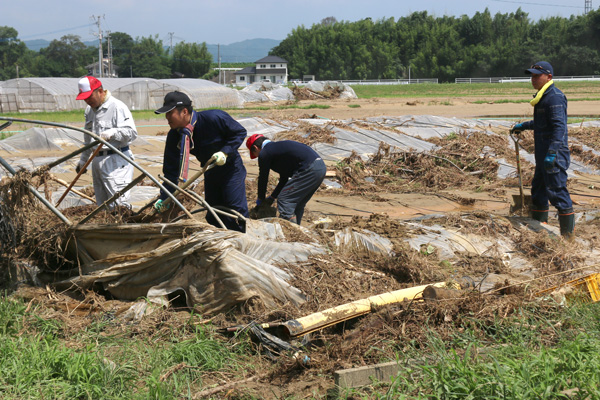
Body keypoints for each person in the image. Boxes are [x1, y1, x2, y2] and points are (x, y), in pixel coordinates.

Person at [154, 91, 248, 232]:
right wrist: (165, 197)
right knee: (213, 213)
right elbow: (171, 170)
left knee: (234, 208)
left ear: (184, 111)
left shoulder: (214, 118)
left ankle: (243, 238)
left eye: (169, 113)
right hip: (210, 171)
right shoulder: (175, 136)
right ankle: (221, 241)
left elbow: (239, 132)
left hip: (231, 169)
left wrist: (225, 152)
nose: (167, 118)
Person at [510, 61, 575, 237]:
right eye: (532, 75)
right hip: (543, 154)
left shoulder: (553, 97)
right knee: (538, 190)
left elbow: (559, 128)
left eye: (537, 75)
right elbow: (542, 123)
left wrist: (552, 153)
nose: (533, 79)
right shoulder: (543, 96)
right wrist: (525, 125)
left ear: (549, 77)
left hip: (553, 154)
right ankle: (539, 229)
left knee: (556, 191)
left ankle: (568, 238)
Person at [76, 76, 137, 210]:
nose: (87, 101)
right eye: (84, 98)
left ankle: (121, 229)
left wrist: (113, 132)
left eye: (89, 96)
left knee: (119, 205)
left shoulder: (117, 107)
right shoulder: (89, 111)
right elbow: (88, 139)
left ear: (100, 91)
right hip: (97, 161)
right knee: (102, 206)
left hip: (115, 159)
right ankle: (107, 229)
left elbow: (132, 133)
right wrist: (83, 161)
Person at [246, 134, 326, 225]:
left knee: (285, 200)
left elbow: (263, 178)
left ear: (255, 148)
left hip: (309, 168)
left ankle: (289, 233)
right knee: (297, 203)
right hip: (320, 167)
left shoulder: (265, 153)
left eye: (255, 155)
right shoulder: (277, 150)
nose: (257, 157)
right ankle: (297, 230)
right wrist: (272, 197)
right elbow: (284, 179)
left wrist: (261, 198)